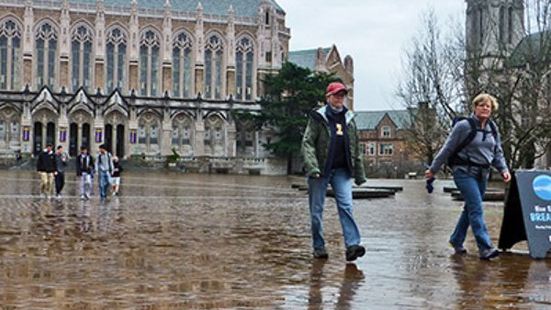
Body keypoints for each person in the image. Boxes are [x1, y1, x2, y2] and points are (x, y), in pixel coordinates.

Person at [425, 93, 511, 260]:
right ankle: (485, 248)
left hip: (483, 173)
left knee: (470, 208)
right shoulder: (464, 126)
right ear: (475, 107)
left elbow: (497, 151)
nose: (485, 108)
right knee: (476, 207)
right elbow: (447, 148)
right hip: (464, 172)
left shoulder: (492, 128)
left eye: (488, 106)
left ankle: (456, 239)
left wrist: (504, 169)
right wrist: (433, 169)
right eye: (481, 105)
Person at [301, 81, 367, 261]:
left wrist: (360, 174)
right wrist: (312, 166)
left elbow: (355, 147)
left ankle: (352, 245)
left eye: (342, 95)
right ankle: (319, 246)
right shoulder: (318, 117)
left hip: (342, 170)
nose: (340, 98)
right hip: (320, 170)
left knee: (346, 206)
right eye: (336, 95)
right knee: (317, 211)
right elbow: (307, 143)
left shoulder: (350, 119)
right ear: (328, 97)